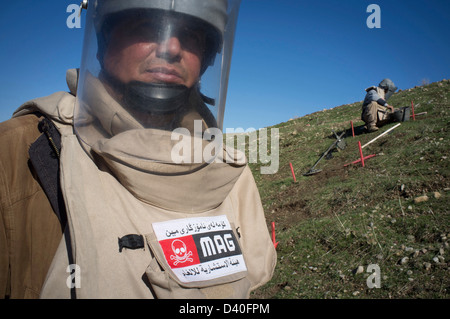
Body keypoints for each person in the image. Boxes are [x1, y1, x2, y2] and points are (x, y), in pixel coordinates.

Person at [0, 0, 276, 299]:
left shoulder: (226, 170)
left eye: (192, 35)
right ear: (104, 41)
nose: (171, 47)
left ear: (208, 58)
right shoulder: (17, 156)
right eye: (146, 26)